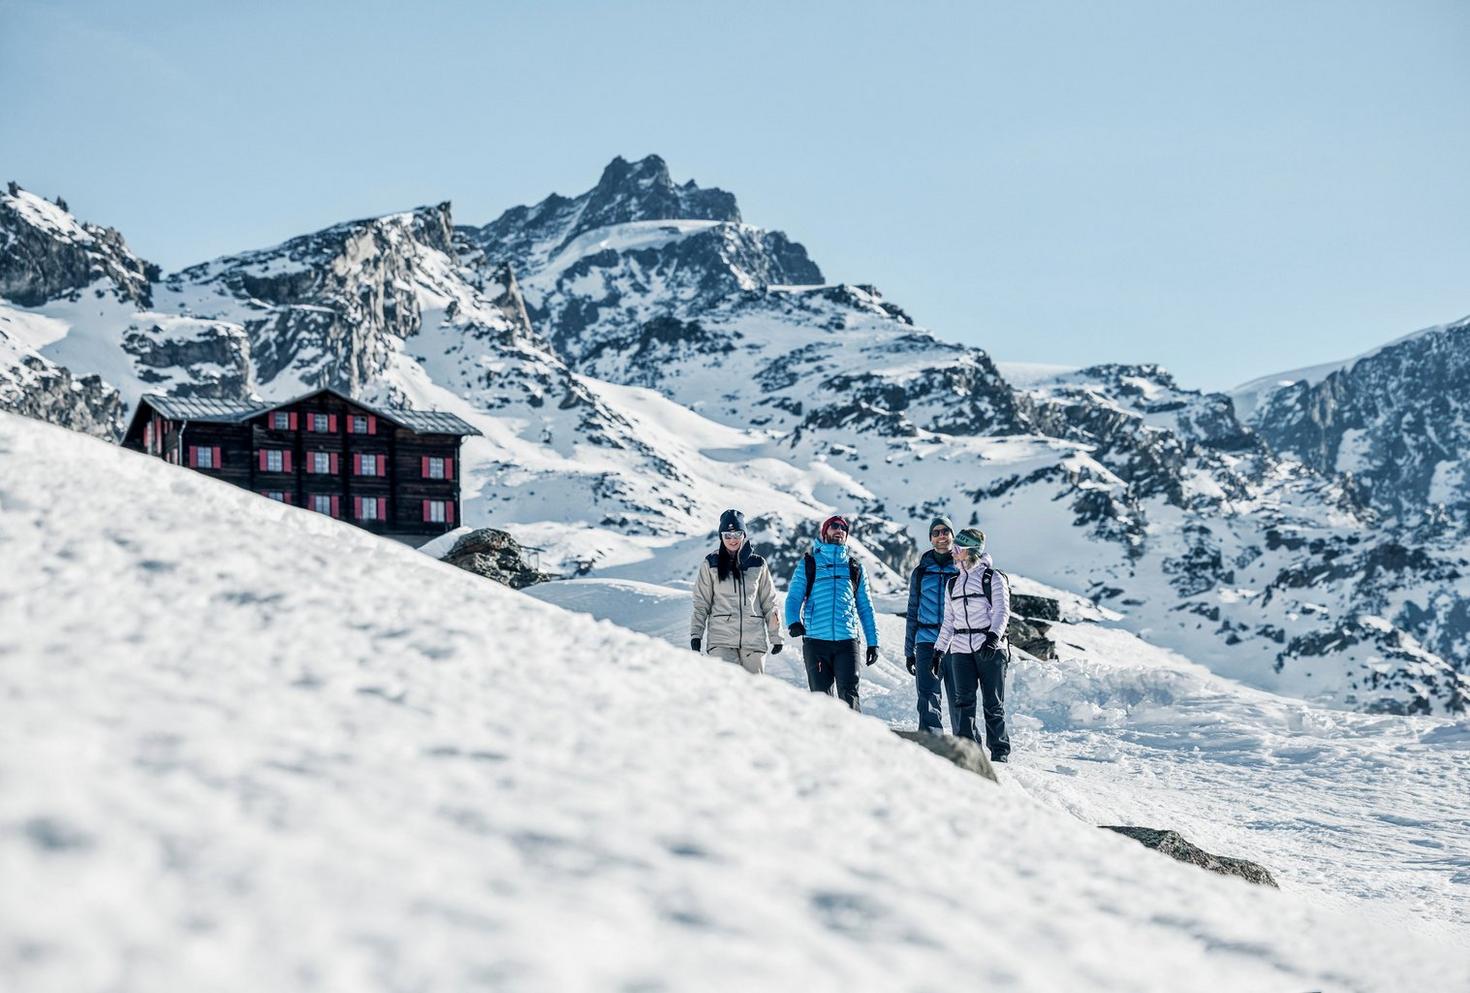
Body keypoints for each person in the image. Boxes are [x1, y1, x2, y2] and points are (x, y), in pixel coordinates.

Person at [783, 515, 880, 711]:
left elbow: (865, 607)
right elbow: (793, 598)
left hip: (847, 642)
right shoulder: (809, 564)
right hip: (816, 642)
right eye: (834, 526)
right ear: (824, 532)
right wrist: (793, 621)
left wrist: (873, 642)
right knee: (821, 700)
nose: (839, 530)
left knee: (849, 696)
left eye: (844, 528)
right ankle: (825, 741)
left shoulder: (855, 568)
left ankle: (854, 740)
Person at [932, 527, 1011, 762]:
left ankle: (999, 753)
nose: (953, 550)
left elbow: (1001, 611)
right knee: (963, 703)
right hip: (960, 650)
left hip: (989, 649)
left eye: (959, 547)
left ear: (970, 551)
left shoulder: (993, 578)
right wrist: (938, 651)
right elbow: (949, 621)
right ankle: (967, 753)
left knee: (992, 703)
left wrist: (993, 638)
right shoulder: (952, 583)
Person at [690, 509, 783, 674]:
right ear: (721, 536)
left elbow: (770, 602)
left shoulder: (758, 563)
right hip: (721, 640)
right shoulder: (711, 563)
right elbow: (701, 602)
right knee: (726, 692)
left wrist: (776, 636)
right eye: (727, 535)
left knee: (754, 692)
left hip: (753, 641)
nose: (732, 539)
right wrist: (696, 635)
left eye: (737, 534)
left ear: (744, 535)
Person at [904, 516, 961, 734]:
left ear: (952, 536)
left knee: (960, 700)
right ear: (930, 538)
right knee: (927, 698)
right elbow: (912, 611)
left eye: (945, 532)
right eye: (936, 532)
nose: (941, 536)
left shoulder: (961, 568)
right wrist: (909, 651)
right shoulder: (920, 572)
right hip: (927, 641)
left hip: (956, 642)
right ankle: (931, 747)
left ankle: (966, 751)